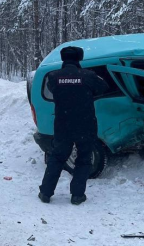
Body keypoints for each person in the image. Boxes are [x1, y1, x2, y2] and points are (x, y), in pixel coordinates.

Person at [38, 46, 109, 205]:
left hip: (63, 124)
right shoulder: (89, 76)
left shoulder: (54, 77)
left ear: (63, 58)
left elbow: (52, 89)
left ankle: (45, 192)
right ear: (79, 58)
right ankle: (77, 195)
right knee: (83, 159)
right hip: (85, 124)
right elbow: (104, 87)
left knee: (57, 158)